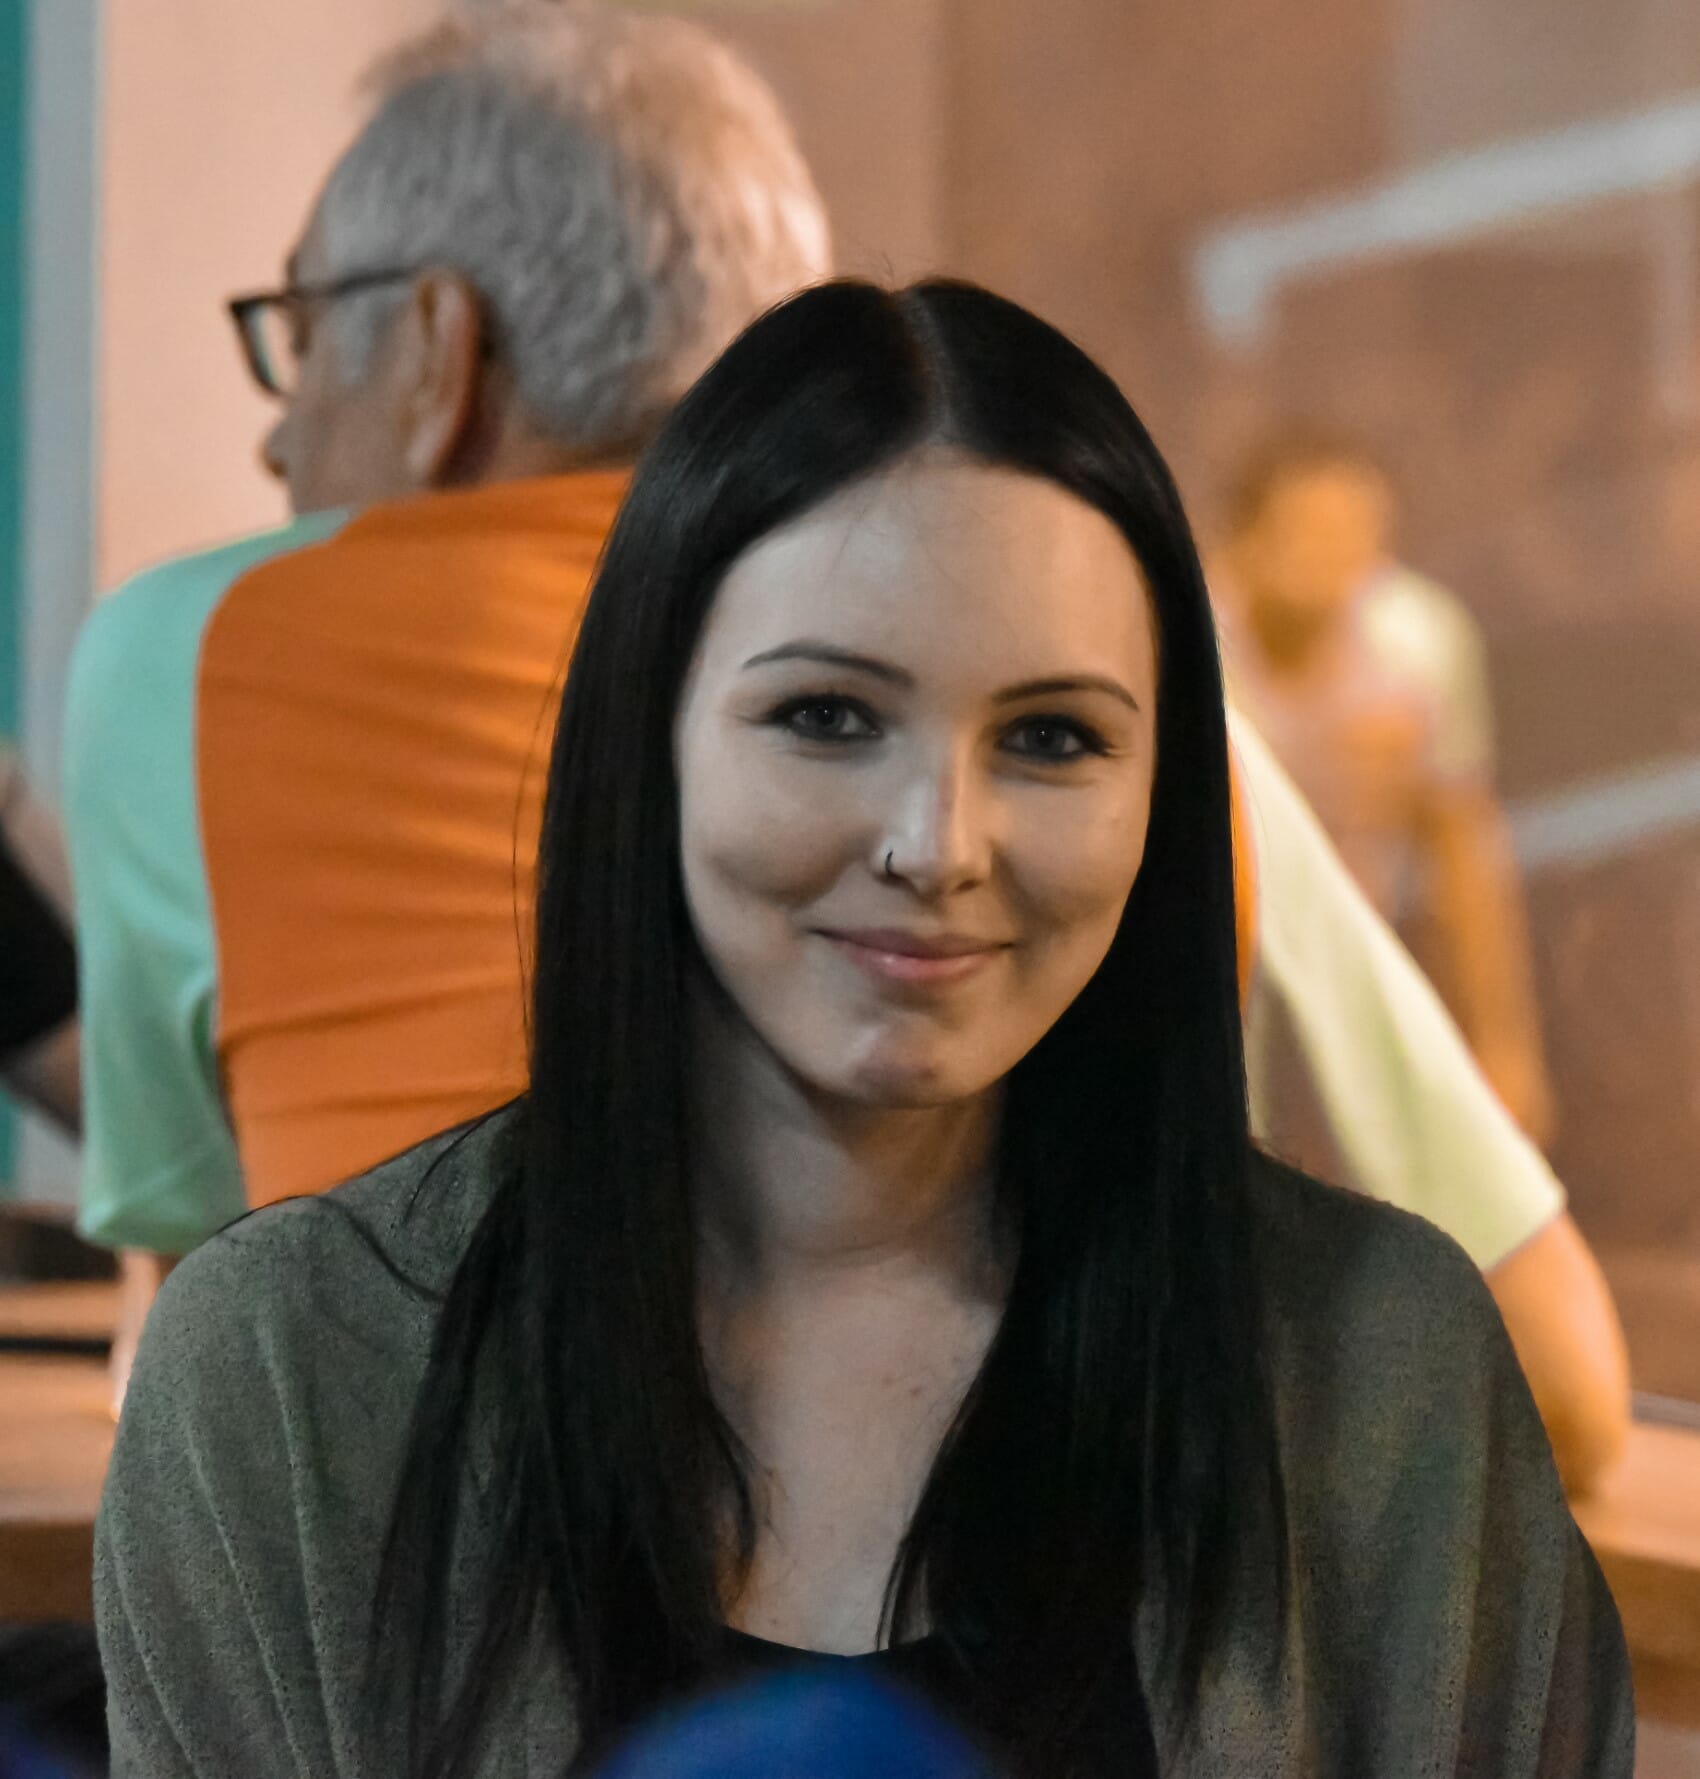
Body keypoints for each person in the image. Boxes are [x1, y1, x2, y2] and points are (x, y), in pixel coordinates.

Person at [63, 3, 1626, 1489]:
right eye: (821, 720)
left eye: (301, 335)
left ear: (432, 346)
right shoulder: (1114, 673)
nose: (936, 842)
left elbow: (199, 1314)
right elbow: (1557, 1366)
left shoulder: (197, 655)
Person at [97, 280, 1631, 1778]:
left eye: (1052, 737)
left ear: (1164, 795)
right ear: (651, 737)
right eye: (827, 715)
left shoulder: (1384, 1372)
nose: (937, 843)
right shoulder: (282, 1382)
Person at [1217, 435, 1555, 1143]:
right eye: (1306, 533)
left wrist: (1504, 1042)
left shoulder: (1418, 646)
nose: (1332, 560)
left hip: (1369, 937)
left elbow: (1462, 841)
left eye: (1355, 535)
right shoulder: (1187, 642)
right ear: (1244, 544)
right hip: (1212, 944)